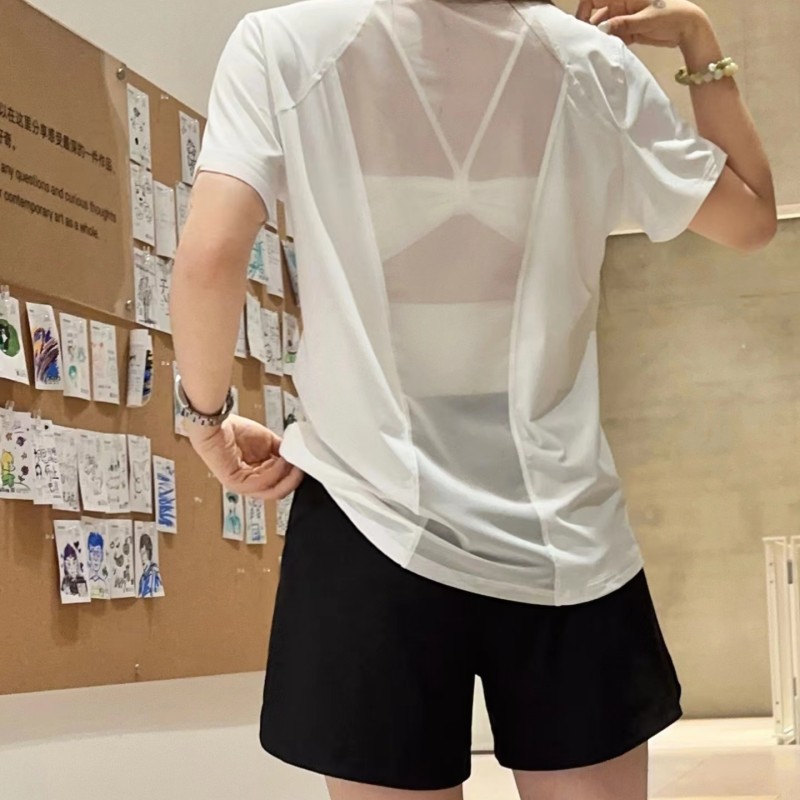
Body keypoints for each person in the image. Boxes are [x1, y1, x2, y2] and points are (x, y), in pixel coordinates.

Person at [171, 1, 775, 798]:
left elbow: (211, 257)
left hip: (368, 515)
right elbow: (752, 218)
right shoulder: (592, 63)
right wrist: (698, 39)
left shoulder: (282, 44)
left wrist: (206, 420)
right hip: (560, 530)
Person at [138, 533, 162, 598]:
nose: (142, 558)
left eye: (144, 553)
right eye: (141, 554)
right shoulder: (142, 578)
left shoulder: (154, 573)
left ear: (149, 552)